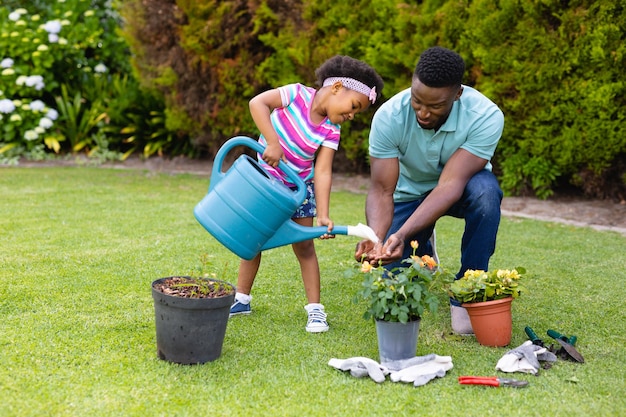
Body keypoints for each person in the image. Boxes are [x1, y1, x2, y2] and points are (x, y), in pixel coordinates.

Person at [354, 46, 504, 335]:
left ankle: (467, 290)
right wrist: (378, 237)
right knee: (397, 276)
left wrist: (401, 234)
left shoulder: (485, 115)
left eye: (435, 106)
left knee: (487, 197)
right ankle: (423, 247)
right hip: (409, 194)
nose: (423, 112)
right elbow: (382, 190)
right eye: (417, 100)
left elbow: (450, 185)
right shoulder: (389, 117)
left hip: (463, 190)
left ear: (457, 94)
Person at [230, 55, 384, 333]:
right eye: (353, 107)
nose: (351, 116)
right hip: (264, 182)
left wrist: (323, 214)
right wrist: (273, 142)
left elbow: (322, 171)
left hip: (298, 190)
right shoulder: (295, 94)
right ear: (337, 87)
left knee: (304, 247)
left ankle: (316, 311)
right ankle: (241, 299)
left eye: (356, 113)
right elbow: (258, 103)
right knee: (252, 240)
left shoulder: (331, 129)